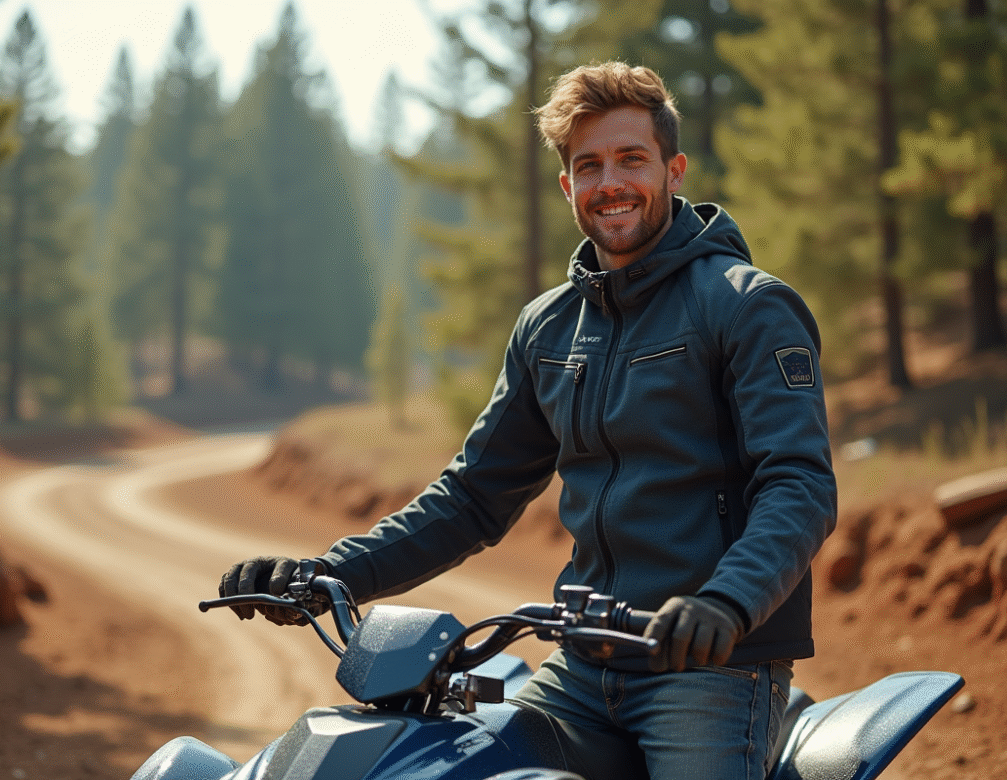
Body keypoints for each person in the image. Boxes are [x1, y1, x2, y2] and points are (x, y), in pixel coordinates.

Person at [220, 61, 836, 780]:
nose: (611, 183)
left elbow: (798, 484)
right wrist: (328, 575)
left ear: (673, 169)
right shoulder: (550, 327)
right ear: (568, 184)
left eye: (631, 159)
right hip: (582, 672)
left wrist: (726, 604)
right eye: (589, 165)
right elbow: (472, 497)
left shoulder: (745, 305)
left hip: (709, 670)